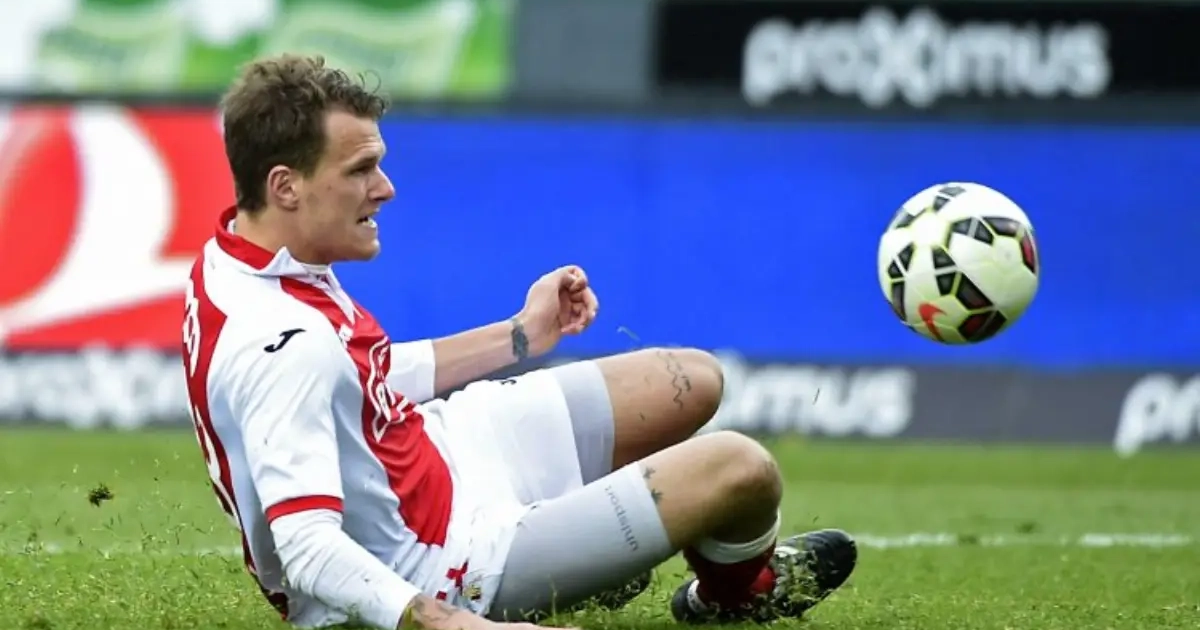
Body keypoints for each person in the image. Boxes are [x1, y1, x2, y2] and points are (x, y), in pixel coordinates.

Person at [180, 53, 857, 630]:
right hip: (449, 564)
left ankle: (593, 556)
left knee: (691, 379)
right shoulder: (281, 344)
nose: (385, 189)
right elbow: (303, 545)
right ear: (285, 187)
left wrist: (519, 335)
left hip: (447, 450)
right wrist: (446, 621)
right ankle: (737, 592)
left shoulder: (242, 258)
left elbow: (359, 376)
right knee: (742, 468)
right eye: (360, 169)